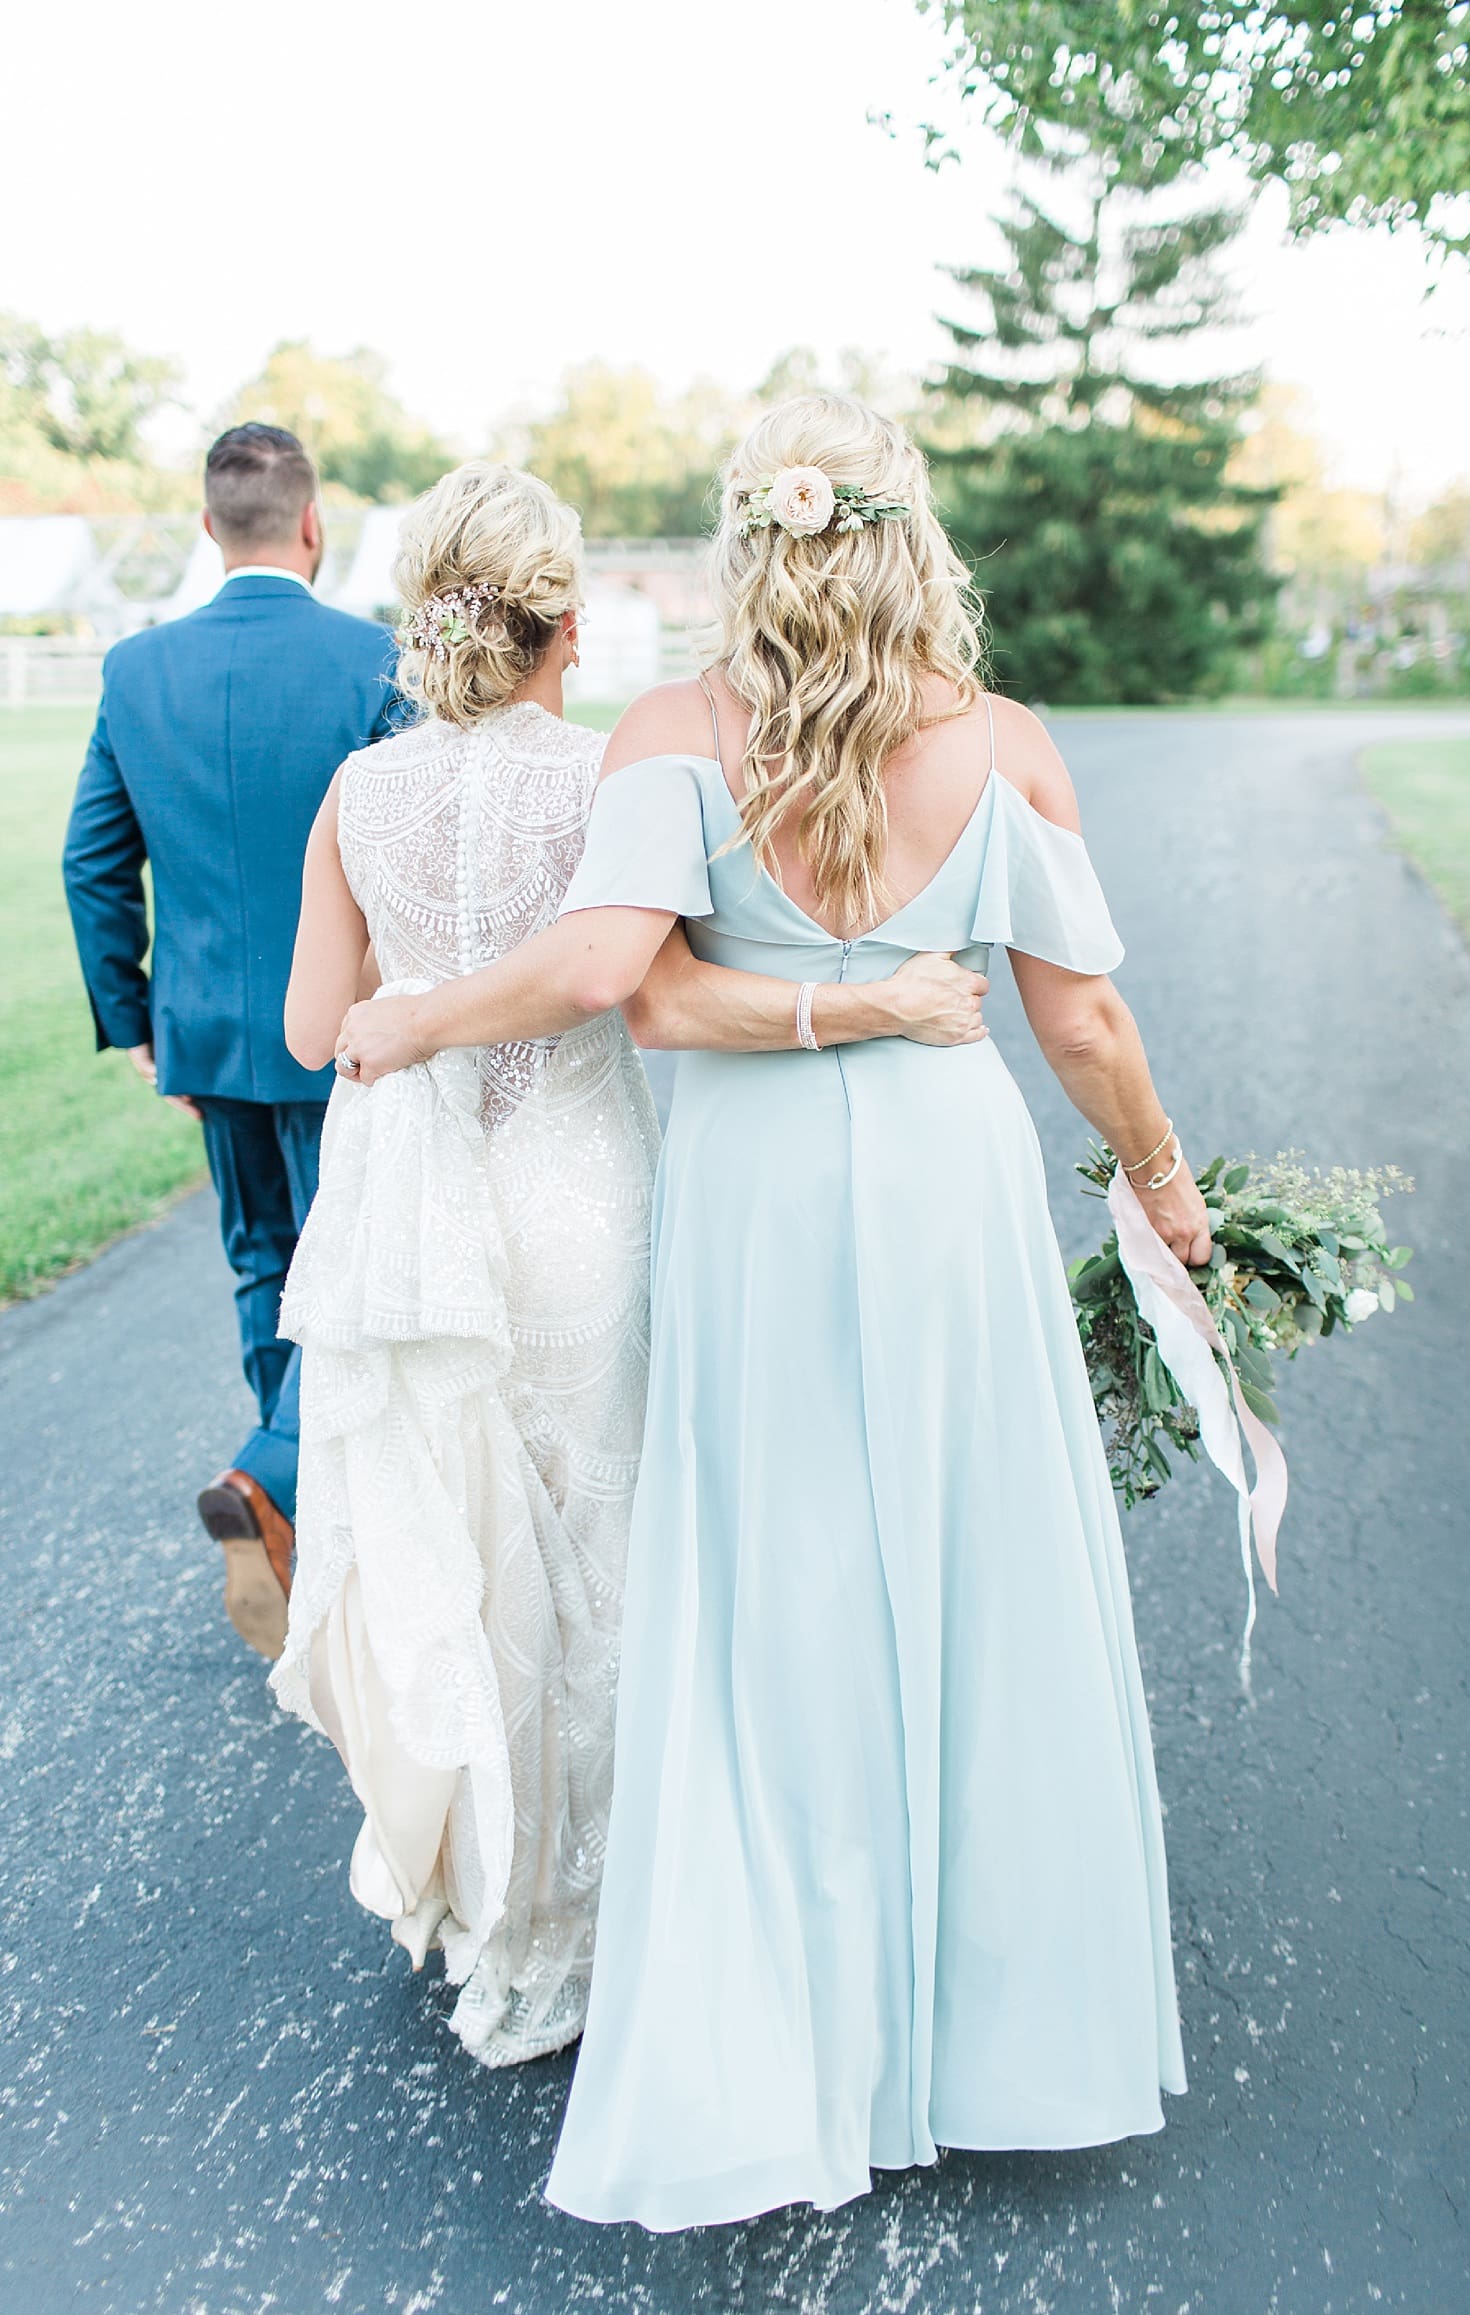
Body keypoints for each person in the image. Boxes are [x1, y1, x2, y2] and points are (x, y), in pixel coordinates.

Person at [334, 397, 1213, 2228]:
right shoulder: (1005, 746)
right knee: (966, 1569)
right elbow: (1080, 1026)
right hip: (940, 1188)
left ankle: (779, 2025)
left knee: (768, 1590)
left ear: (753, 544)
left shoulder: (668, 737)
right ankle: (984, 2033)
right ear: (911, 543)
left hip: (745, 1197)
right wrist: (1159, 1176)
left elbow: (640, 1001)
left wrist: (419, 1022)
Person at [271, 460, 988, 2066]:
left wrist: (411, 984)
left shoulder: (354, 797)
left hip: (426, 1207)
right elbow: (635, 982)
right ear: (564, 624)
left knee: (453, 1534)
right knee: (598, 1536)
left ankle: (478, 1898)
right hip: (577, 1187)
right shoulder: (613, 774)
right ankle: (593, 1917)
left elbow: (322, 1031)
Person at [62, 424, 399, 1661]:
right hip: (348, 1028)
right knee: (349, 1266)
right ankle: (279, 1480)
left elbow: (92, 860)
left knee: (265, 1259)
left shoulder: (135, 669)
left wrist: (139, 1019)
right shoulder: (372, 658)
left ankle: (284, 1500)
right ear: (312, 524)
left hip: (204, 1028)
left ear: (211, 528)